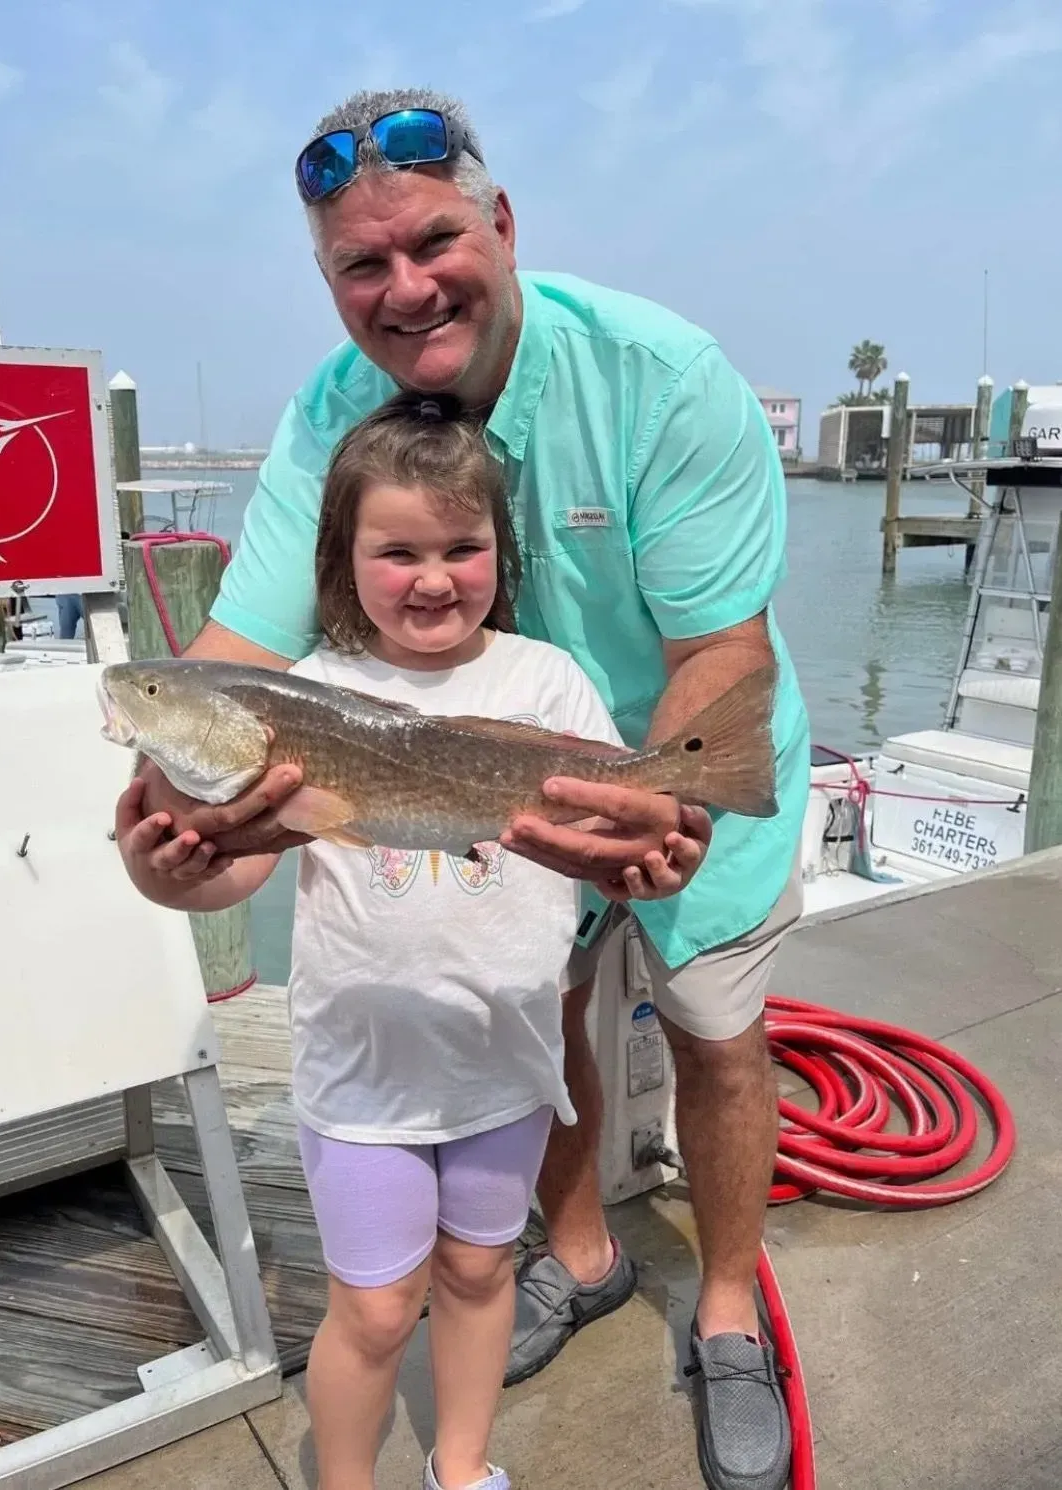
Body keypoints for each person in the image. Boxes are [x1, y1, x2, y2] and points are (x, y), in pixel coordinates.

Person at [130, 87, 811, 1490]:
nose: (405, 284)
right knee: (537, 1005)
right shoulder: (332, 415)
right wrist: (164, 823)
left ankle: (731, 1308)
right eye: (359, 266)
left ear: (499, 224)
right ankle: (576, 1255)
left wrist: (665, 806)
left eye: (432, 239)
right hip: (462, 790)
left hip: (676, 744)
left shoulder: (661, 375)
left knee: (714, 1031)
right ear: (326, 283)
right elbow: (236, 660)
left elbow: (718, 643)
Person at [115, 390, 657, 1490]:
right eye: (396, 548)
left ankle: (461, 1465)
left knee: (477, 1268)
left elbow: (614, 835)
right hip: (363, 1074)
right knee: (370, 1307)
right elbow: (240, 867)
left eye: (462, 546)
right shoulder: (307, 694)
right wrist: (165, 870)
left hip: (505, 1060)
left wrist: (658, 835)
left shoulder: (546, 681)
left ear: (501, 551)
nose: (432, 575)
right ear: (342, 558)